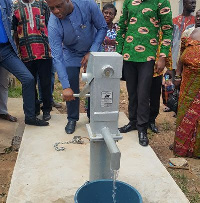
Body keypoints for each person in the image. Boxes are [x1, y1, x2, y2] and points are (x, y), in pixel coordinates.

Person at [117, 0, 173, 146]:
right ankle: (133, 122)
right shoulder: (128, 1)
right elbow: (122, 27)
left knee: (143, 94)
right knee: (132, 93)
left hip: (148, 56)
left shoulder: (161, 2)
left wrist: (162, 56)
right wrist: (118, 53)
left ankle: (142, 128)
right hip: (128, 55)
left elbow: (167, 30)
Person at [46, 0, 107, 134]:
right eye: (51, 8)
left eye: (59, 6)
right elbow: (57, 56)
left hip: (93, 48)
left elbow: (102, 27)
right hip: (71, 52)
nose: (56, 11)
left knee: (95, 83)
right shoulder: (53, 24)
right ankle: (72, 118)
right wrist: (65, 86)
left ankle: (93, 116)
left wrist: (92, 51)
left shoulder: (88, 4)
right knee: (71, 81)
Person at [0, 0, 48, 126]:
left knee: (28, 79)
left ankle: (30, 117)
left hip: (6, 49)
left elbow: (12, 25)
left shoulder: (6, 2)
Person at [12, 0, 52, 121]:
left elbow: (51, 25)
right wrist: (17, 49)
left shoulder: (43, 4)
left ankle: (46, 109)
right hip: (26, 52)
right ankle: (34, 109)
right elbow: (14, 32)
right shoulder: (15, 8)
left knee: (46, 82)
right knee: (30, 83)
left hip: (44, 51)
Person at [173, 14, 200, 158]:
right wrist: (177, 75)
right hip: (187, 82)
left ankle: (196, 150)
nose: (199, 18)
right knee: (183, 113)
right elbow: (180, 57)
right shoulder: (188, 34)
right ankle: (181, 147)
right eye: (198, 16)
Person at [149, 31, 173, 134]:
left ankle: (151, 121)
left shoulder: (163, 35)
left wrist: (168, 76)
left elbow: (168, 54)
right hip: (141, 71)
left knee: (154, 98)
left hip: (157, 73)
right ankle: (139, 120)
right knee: (140, 96)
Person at [172, 0, 196, 71]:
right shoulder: (174, 21)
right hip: (173, 57)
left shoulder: (196, 21)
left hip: (188, 60)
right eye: (191, 3)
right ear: (184, 3)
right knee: (169, 79)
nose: (194, 5)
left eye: (195, 3)